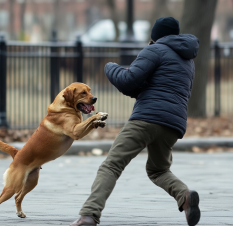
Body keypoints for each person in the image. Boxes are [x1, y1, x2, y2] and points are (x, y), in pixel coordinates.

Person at [70, 17, 200, 226]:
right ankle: (184, 196)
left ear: (155, 35)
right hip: (173, 125)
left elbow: (128, 80)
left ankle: (89, 214)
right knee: (159, 170)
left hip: (146, 119)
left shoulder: (155, 50)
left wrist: (110, 67)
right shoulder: (188, 61)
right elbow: (142, 87)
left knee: (112, 165)